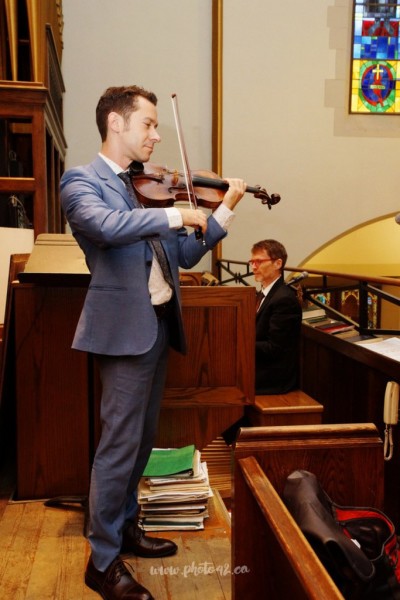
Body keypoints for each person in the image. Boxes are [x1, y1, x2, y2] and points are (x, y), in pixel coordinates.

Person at [60, 85, 246, 600]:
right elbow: (104, 226)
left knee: (140, 441)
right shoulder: (81, 181)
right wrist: (176, 213)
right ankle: (101, 563)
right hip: (122, 331)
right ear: (116, 124)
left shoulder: (150, 186)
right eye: (147, 124)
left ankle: (126, 528)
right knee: (117, 447)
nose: (157, 135)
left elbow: (184, 255)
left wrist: (223, 210)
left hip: (158, 326)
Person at [249, 239, 302, 395]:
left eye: (259, 261)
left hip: (273, 378)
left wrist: (239, 342)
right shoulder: (264, 293)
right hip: (260, 367)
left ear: (278, 263)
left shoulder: (284, 299)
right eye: (251, 262)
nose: (253, 266)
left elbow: (275, 348)